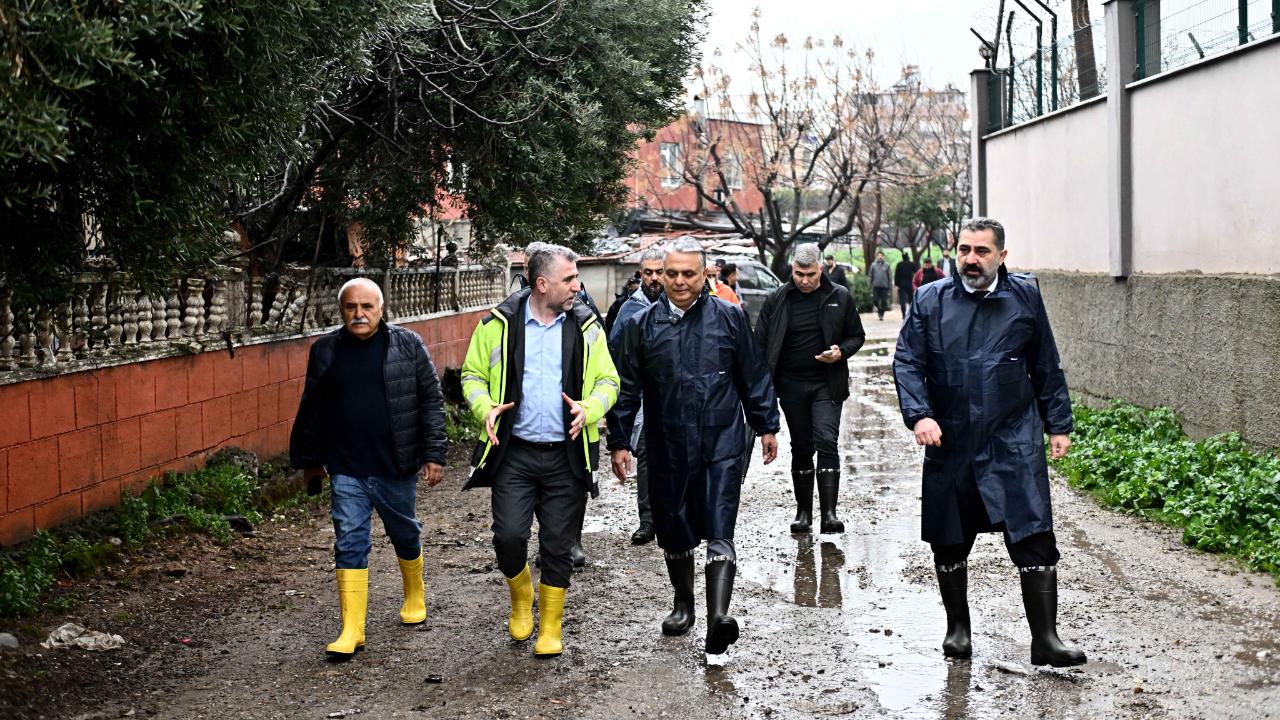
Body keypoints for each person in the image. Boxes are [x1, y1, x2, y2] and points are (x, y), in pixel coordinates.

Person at [892, 217, 1086, 668]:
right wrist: (920, 414)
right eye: (964, 250)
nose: (971, 259)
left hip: (1011, 437)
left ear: (1002, 255)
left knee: (1033, 533)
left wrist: (1058, 424)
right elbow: (906, 361)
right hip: (952, 437)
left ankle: (1046, 640)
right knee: (949, 537)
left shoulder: (1025, 297)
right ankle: (958, 630)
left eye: (981, 251)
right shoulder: (929, 300)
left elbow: (1046, 364)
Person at [608, 236, 780, 655]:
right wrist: (618, 441)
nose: (680, 281)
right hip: (667, 442)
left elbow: (752, 375)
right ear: (660, 276)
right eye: (672, 274)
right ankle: (684, 604)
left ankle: (719, 617)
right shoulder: (640, 325)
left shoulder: (730, 317)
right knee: (675, 528)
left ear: (705, 275)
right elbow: (626, 388)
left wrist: (765, 425)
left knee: (720, 524)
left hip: (722, 440)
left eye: (689, 273)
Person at [461, 243, 619, 658]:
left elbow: (609, 382)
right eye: (569, 279)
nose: (577, 286)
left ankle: (550, 626)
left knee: (557, 544)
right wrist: (484, 408)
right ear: (542, 282)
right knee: (509, 538)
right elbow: (473, 375)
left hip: (566, 456)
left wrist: (589, 409)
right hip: (514, 453)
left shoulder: (586, 327)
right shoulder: (497, 325)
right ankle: (520, 594)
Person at [289, 278, 447, 661]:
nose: (358, 314)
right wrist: (311, 462)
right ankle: (352, 628)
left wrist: (434, 454)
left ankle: (414, 591)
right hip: (346, 465)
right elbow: (312, 407)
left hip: (395, 463)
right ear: (341, 310)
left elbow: (430, 400)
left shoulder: (407, 345)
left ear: (381, 309)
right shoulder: (325, 349)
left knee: (403, 531)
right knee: (349, 540)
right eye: (350, 307)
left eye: (367, 307)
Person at [756, 243, 865, 535]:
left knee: (826, 440)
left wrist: (840, 351)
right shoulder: (777, 299)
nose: (804, 280)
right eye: (799, 273)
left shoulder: (839, 296)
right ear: (792, 268)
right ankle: (803, 513)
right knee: (801, 446)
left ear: (821, 269)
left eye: (811, 274)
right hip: (790, 385)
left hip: (827, 383)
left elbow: (857, 335)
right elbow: (760, 344)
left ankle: (829, 514)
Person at [607, 246, 668, 546]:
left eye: (660, 272)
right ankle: (648, 520)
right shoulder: (629, 310)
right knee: (645, 455)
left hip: (677, 396)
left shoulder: (682, 305)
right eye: (649, 273)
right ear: (641, 275)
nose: (655, 278)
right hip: (644, 398)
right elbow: (618, 360)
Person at [868, 251, 893, 321]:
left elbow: (890, 277)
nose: (880, 257)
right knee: (875, 300)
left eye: (881, 255)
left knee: (884, 302)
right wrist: (869, 285)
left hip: (885, 286)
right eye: (878, 255)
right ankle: (879, 310)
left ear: (883, 257)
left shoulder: (887, 265)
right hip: (876, 286)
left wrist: (890, 286)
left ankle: (881, 314)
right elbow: (870, 276)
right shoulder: (873, 265)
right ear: (876, 257)